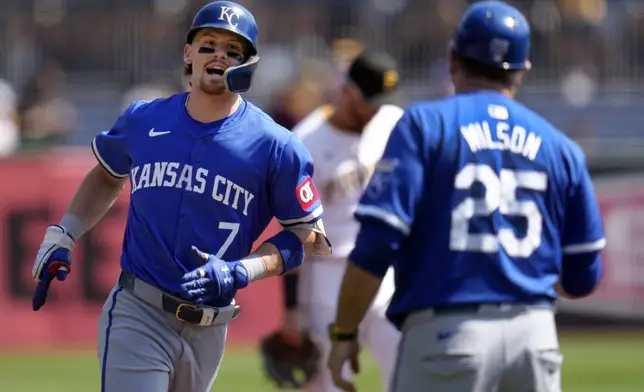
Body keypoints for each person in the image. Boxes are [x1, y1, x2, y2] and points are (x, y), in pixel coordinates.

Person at [29, 2, 331, 392]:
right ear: (188, 54)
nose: (218, 55)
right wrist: (64, 233)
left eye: (233, 50)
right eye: (207, 44)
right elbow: (106, 176)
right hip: (139, 311)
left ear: (248, 65)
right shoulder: (144, 119)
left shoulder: (276, 146)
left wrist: (243, 270)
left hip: (211, 325)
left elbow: (308, 236)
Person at [326, 2, 606, 392]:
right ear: (523, 70)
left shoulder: (424, 125)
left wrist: (343, 334)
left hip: (447, 334)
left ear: (453, 58)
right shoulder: (562, 148)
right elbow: (584, 276)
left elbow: (376, 245)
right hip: (535, 337)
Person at [259, 50, 404, 391]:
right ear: (349, 92)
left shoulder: (392, 122)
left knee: (409, 371)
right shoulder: (306, 142)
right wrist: (291, 309)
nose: (379, 108)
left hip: (385, 274)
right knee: (329, 385)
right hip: (326, 281)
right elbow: (294, 229)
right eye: (372, 100)